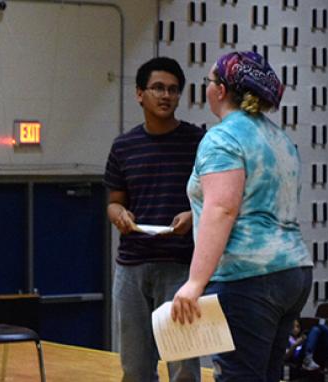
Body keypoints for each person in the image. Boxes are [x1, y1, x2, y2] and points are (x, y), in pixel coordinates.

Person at [171, 51, 314, 381]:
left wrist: (195, 282)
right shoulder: (279, 138)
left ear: (220, 90)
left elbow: (221, 209)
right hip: (294, 272)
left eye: (208, 81)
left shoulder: (223, 138)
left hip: (248, 276)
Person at [104, 57, 203, 382]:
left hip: (180, 267)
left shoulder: (198, 142)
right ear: (139, 94)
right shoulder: (124, 146)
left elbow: (216, 200)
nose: (166, 95)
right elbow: (114, 203)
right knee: (134, 367)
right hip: (132, 265)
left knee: (184, 367)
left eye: (173, 90)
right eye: (158, 88)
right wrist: (120, 215)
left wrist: (192, 214)